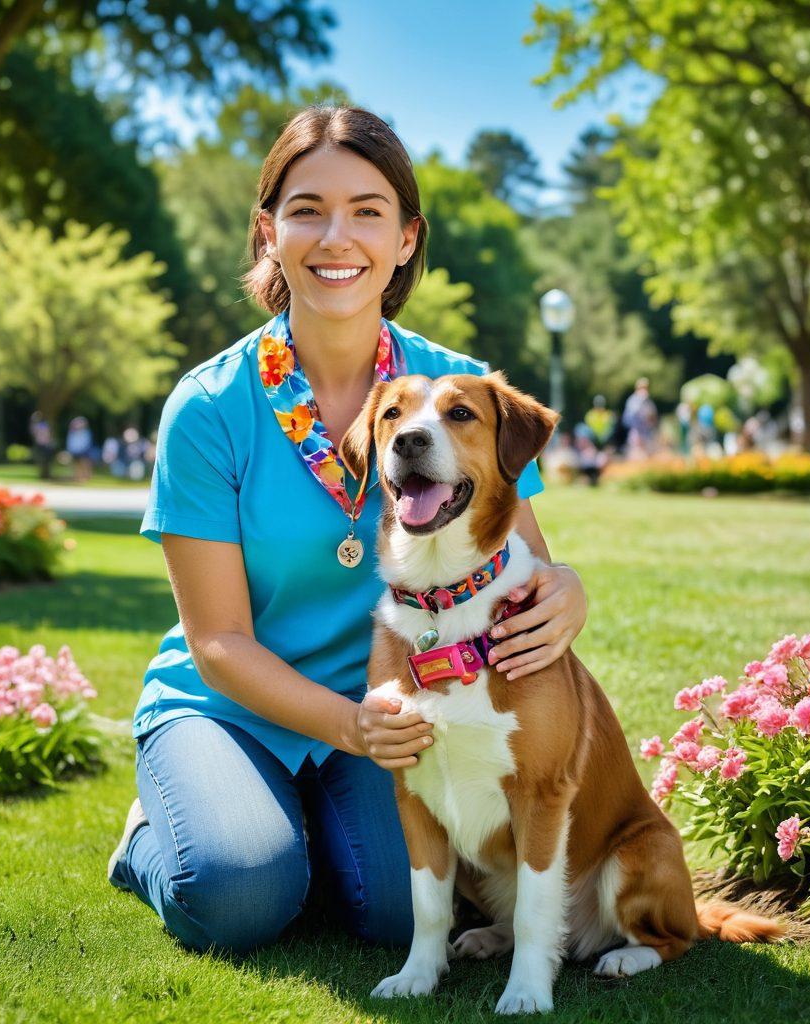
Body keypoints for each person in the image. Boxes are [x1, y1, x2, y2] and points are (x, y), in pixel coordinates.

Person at [106, 105, 588, 955]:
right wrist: (348, 725)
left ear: (405, 238)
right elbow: (217, 642)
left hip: (404, 712)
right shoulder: (210, 408)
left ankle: (294, 831)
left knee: (407, 914)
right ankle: (164, 833)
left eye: (368, 211)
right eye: (307, 209)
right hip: (232, 705)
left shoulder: (461, 393)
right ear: (269, 233)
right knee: (239, 893)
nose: (338, 237)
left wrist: (569, 593)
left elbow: (525, 569)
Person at [65, 416, 93, 482]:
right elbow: (69, 442)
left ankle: (86, 477)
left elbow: (86, 442)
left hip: (84, 451)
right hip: (74, 451)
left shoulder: (86, 432)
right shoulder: (72, 433)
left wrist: (82, 450)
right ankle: (78, 478)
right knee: (76, 465)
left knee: (85, 464)